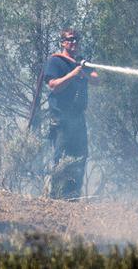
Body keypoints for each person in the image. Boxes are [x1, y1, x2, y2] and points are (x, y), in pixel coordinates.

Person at [42, 27, 97, 199]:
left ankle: (73, 196)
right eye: (71, 39)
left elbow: (97, 79)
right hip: (61, 119)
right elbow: (54, 85)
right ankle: (57, 197)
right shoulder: (56, 61)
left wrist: (84, 71)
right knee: (62, 158)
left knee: (80, 156)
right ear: (63, 42)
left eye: (76, 40)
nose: (74, 43)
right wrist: (73, 74)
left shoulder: (82, 62)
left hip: (78, 118)